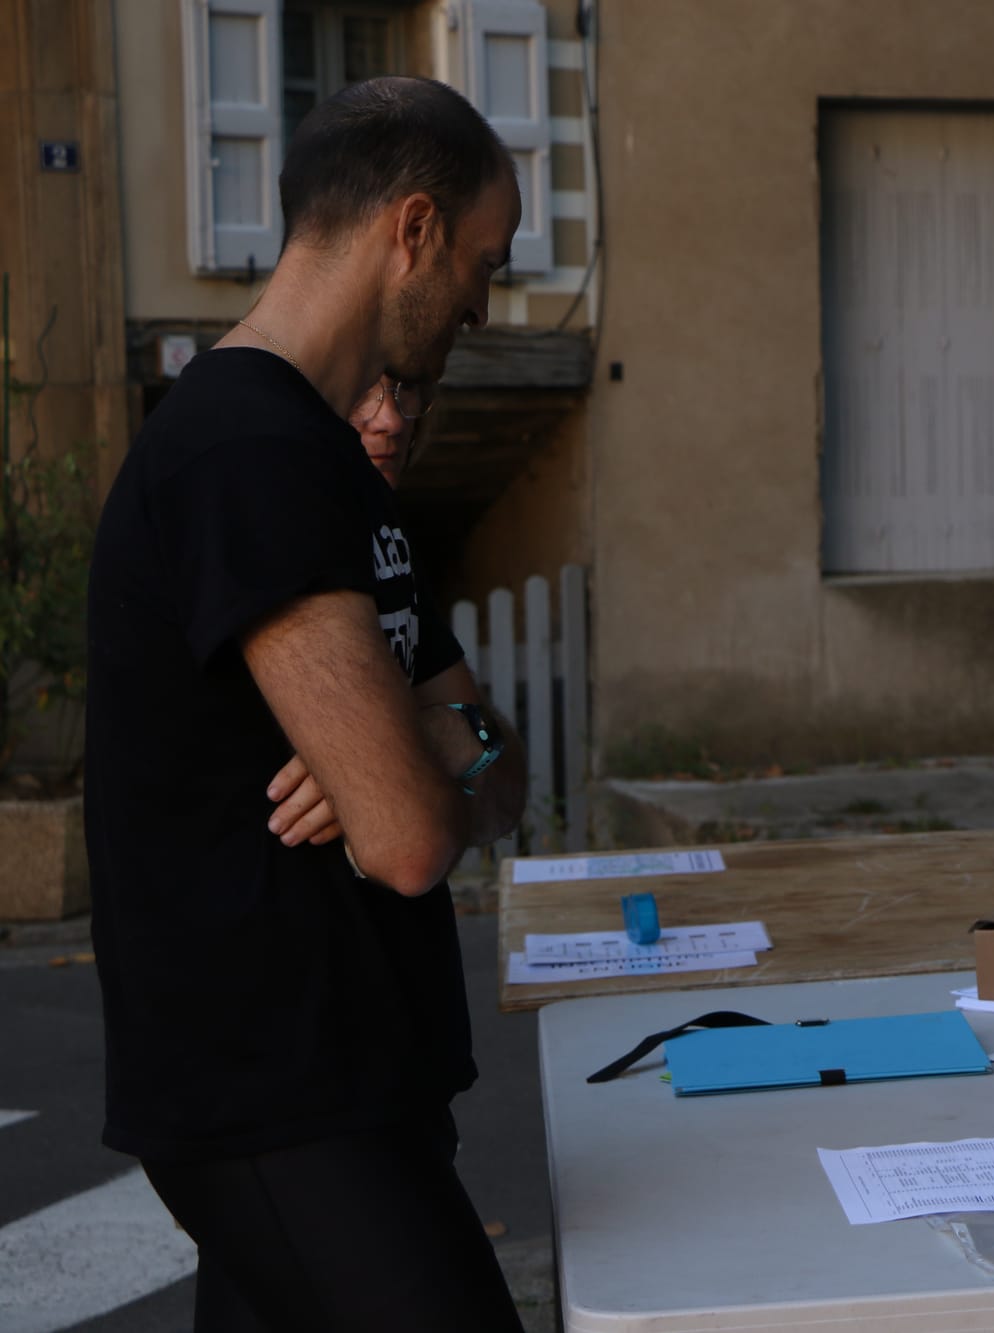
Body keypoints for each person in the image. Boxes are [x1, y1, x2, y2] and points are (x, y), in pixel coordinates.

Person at [86, 77, 529, 1332]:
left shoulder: (336, 474)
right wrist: (419, 755)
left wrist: (440, 735)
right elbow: (408, 840)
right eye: (482, 263)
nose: (482, 306)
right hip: (276, 1095)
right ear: (413, 228)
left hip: (355, 1075)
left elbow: (494, 764)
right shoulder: (243, 453)